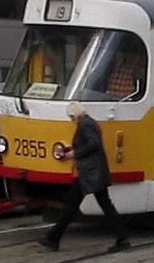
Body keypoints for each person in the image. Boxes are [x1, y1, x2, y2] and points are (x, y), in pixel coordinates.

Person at [39, 104, 131, 254]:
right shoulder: (90, 122)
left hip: (88, 173)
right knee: (103, 205)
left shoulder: (85, 124)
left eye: (71, 117)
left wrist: (74, 154)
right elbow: (90, 144)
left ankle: (53, 238)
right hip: (93, 172)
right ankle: (122, 237)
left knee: (72, 206)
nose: (71, 120)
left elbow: (93, 144)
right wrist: (71, 151)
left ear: (75, 115)